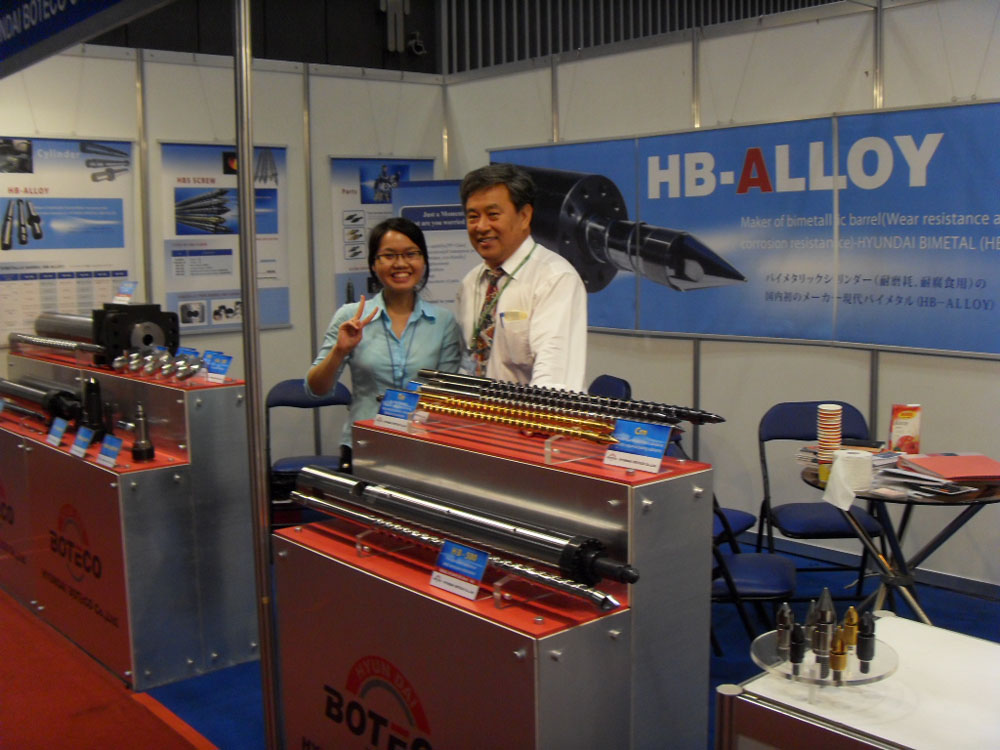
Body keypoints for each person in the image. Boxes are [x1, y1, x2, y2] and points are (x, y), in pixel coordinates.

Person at [306, 216, 462, 469]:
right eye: (389, 255)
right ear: (374, 264)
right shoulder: (350, 317)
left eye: (411, 254)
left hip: (424, 447)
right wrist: (339, 351)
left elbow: (448, 396)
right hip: (365, 445)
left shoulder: (443, 322)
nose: (400, 263)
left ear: (423, 260)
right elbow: (316, 389)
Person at [455, 163, 587, 391]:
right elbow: (467, 363)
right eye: (473, 216)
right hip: (476, 410)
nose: (481, 226)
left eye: (493, 215)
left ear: (524, 216)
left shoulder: (555, 279)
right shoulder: (470, 283)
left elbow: (554, 382)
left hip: (531, 412)